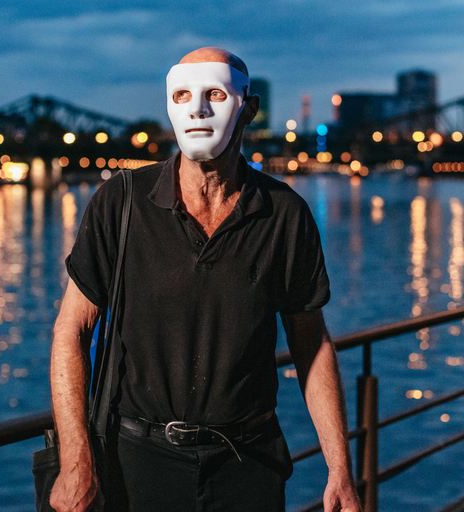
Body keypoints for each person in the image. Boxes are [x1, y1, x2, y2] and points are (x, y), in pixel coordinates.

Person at [49, 46, 361, 512]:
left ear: (248, 110)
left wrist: (340, 468)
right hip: (136, 464)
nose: (197, 109)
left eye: (215, 94)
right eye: (182, 95)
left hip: (248, 464)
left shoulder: (284, 214)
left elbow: (311, 343)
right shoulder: (122, 202)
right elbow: (71, 329)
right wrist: (77, 461)